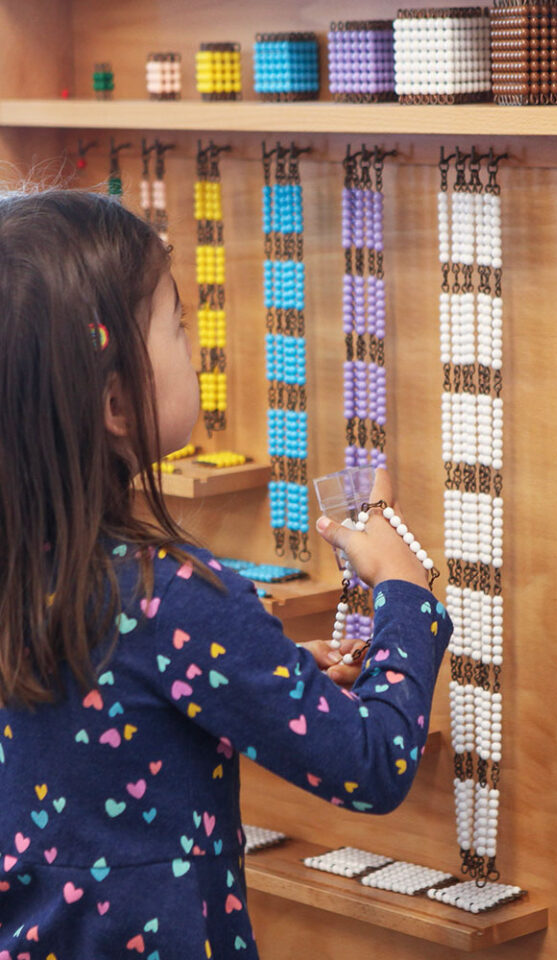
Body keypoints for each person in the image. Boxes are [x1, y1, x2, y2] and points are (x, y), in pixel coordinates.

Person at [0, 189, 451, 958]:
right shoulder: (171, 597)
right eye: (178, 326)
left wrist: (263, 668)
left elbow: (104, 709)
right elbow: (371, 762)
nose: (196, 346)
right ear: (116, 402)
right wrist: (404, 591)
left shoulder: (34, 570)